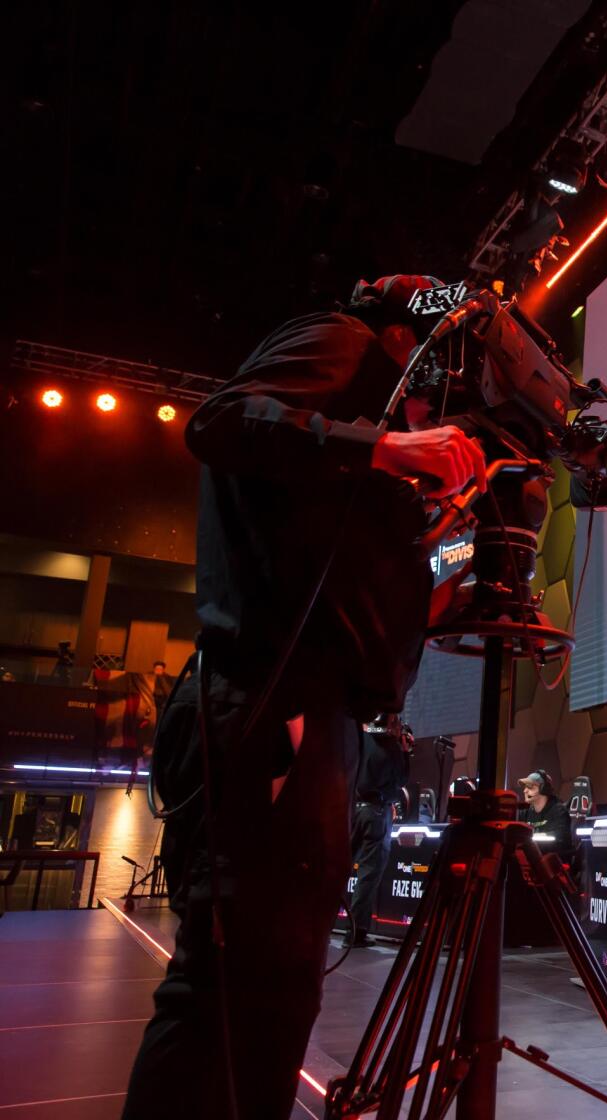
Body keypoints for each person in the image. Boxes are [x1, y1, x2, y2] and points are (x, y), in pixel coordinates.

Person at [123, 274, 486, 1120]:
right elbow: (216, 422)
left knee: (274, 993)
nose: (429, 413)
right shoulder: (344, 342)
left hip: (311, 720)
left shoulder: (354, 458)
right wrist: (382, 450)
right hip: (264, 709)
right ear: (412, 335)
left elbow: (370, 613)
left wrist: (456, 557)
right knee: (232, 991)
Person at [346, 717, 410, 947]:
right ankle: (355, 933)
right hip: (376, 813)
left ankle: (319, 923)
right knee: (369, 873)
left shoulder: (361, 737)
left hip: (352, 810)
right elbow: (401, 780)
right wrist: (403, 751)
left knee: (339, 867)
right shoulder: (390, 745)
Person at [519, 770, 567, 835]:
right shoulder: (525, 814)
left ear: (543, 789)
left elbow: (560, 839)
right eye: (525, 787)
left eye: (530, 787)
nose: (525, 791)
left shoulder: (559, 812)